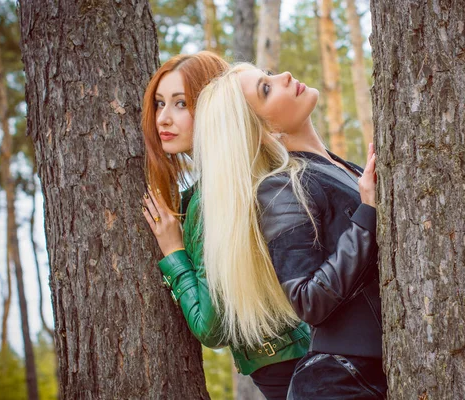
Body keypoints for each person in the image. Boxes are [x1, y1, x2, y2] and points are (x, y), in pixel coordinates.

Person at [193, 63, 386, 399]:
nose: (283, 77)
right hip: (343, 383)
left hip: (371, 372)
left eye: (268, 75)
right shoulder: (280, 189)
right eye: (266, 89)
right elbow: (308, 299)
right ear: (264, 131)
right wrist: (368, 212)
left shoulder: (341, 168)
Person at [139, 53, 310, 400]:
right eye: (159, 104)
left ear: (215, 107)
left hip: (285, 369)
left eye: (181, 104)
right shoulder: (260, 167)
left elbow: (211, 328)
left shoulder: (214, 199)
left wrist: (174, 253)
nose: (163, 119)